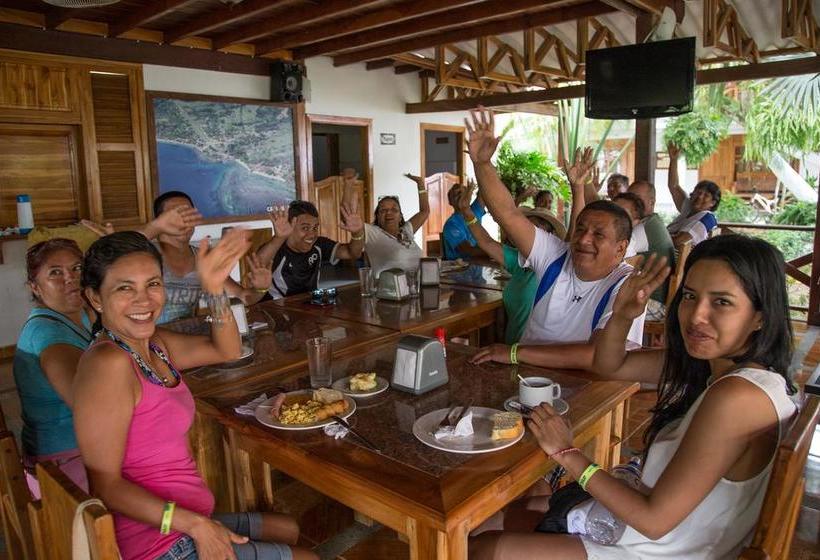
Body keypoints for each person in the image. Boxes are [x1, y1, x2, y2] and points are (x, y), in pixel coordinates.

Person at [470, 235, 797, 560]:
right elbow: (611, 365)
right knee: (491, 522)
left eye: (722, 302)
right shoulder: (722, 370)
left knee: (484, 547)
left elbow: (653, 521)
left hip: (657, 549)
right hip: (643, 530)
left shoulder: (737, 396)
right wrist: (623, 314)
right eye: (690, 296)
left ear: (761, 316)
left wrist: (567, 452)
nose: (697, 316)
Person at [73, 230, 317, 560]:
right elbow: (105, 485)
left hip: (184, 517)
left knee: (287, 528)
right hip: (159, 541)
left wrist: (215, 290)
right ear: (96, 298)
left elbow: (227, 349)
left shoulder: (154, 344)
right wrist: (196, 526)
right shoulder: (108, 363)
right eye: (124, 288)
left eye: (153, 284)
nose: (144, 300)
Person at [465, 107, 645, 370]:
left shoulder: (626, 283)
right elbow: (509, 214)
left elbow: (595, 355)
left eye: (598, 234)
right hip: (527, 372)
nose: (583, 239)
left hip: (586, 384)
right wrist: (482, 164)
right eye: (580, 229)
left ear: (620, 249)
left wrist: (515, 353)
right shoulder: (556, 254)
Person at [14, 239, 92, 494]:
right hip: (62, 466)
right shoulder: (48, 335)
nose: (70, 278)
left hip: (75, 450)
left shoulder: (79, 315)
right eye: (55, 273)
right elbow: (88, 406)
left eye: (77, 268)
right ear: (35, 287)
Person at [456, 184, 567, 345]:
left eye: (535, 229)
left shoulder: (556, 266)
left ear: (548, 236)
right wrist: (467, 212)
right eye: (526, 228)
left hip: (535, 357)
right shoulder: (519, 260)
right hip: (511, 351)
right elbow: (486, 243)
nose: (527, 235)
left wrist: (578, 188)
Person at [151, 191, 273, 323]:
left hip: (186, 338)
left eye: (188, 214)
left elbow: (244, 297)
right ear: (159, 221)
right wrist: (154, 227)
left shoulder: (204, 258)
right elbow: (125, 241)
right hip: (145, 339)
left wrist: (261, 288)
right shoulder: (144, 253)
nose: (183, 220)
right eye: (174, 215)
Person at [257, 199, 363, 298]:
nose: (312, 234)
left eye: (315, 228)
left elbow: (352, 253)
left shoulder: (319, 244)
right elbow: (258, 264)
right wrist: (279, 238)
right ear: (290, 226)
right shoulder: (277, 248)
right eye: (305, 228)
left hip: (311, 306)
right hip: (277, 309)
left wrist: (357, 232)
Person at [361, 173, 429, 278]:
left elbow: (425, 211)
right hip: (389, 290)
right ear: (377, 216)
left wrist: (420, 184)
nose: (389, 213)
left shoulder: (407, 230)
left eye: (394, 209)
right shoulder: (372, 233)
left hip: (417, 286)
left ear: (400, 216)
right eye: (383, 210)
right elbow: (351, 222)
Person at [627, 180, 676, 321]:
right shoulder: (654, 222)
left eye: (637, 199)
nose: (632, 203)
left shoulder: (642, 229)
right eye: (629, 197)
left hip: (654, 303)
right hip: (657, 298)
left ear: (651, 202)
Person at [666, 143, 721, 247]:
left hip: (675, 260)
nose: (700, 197)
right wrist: (673, 160)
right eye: (698, 192)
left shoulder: (707, 218)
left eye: (706, 196)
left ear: (713, 203)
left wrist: (656, 236)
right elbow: (674, 186)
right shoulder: (689, 208)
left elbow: (679, 241)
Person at [443, 180, 488, 260]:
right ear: (450, 202)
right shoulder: (451, 224)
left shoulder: (474, 210)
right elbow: (468, 251)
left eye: (462, 192)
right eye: (456, 194)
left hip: (479, 265)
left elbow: (484, 188)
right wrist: (494, 252)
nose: (460, 196)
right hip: (459, 270)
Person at [611, 193, 648, 260]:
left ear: (635, 222)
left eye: (621, 214)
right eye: (611, 209)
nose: (612, 215)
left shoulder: (626, 247)